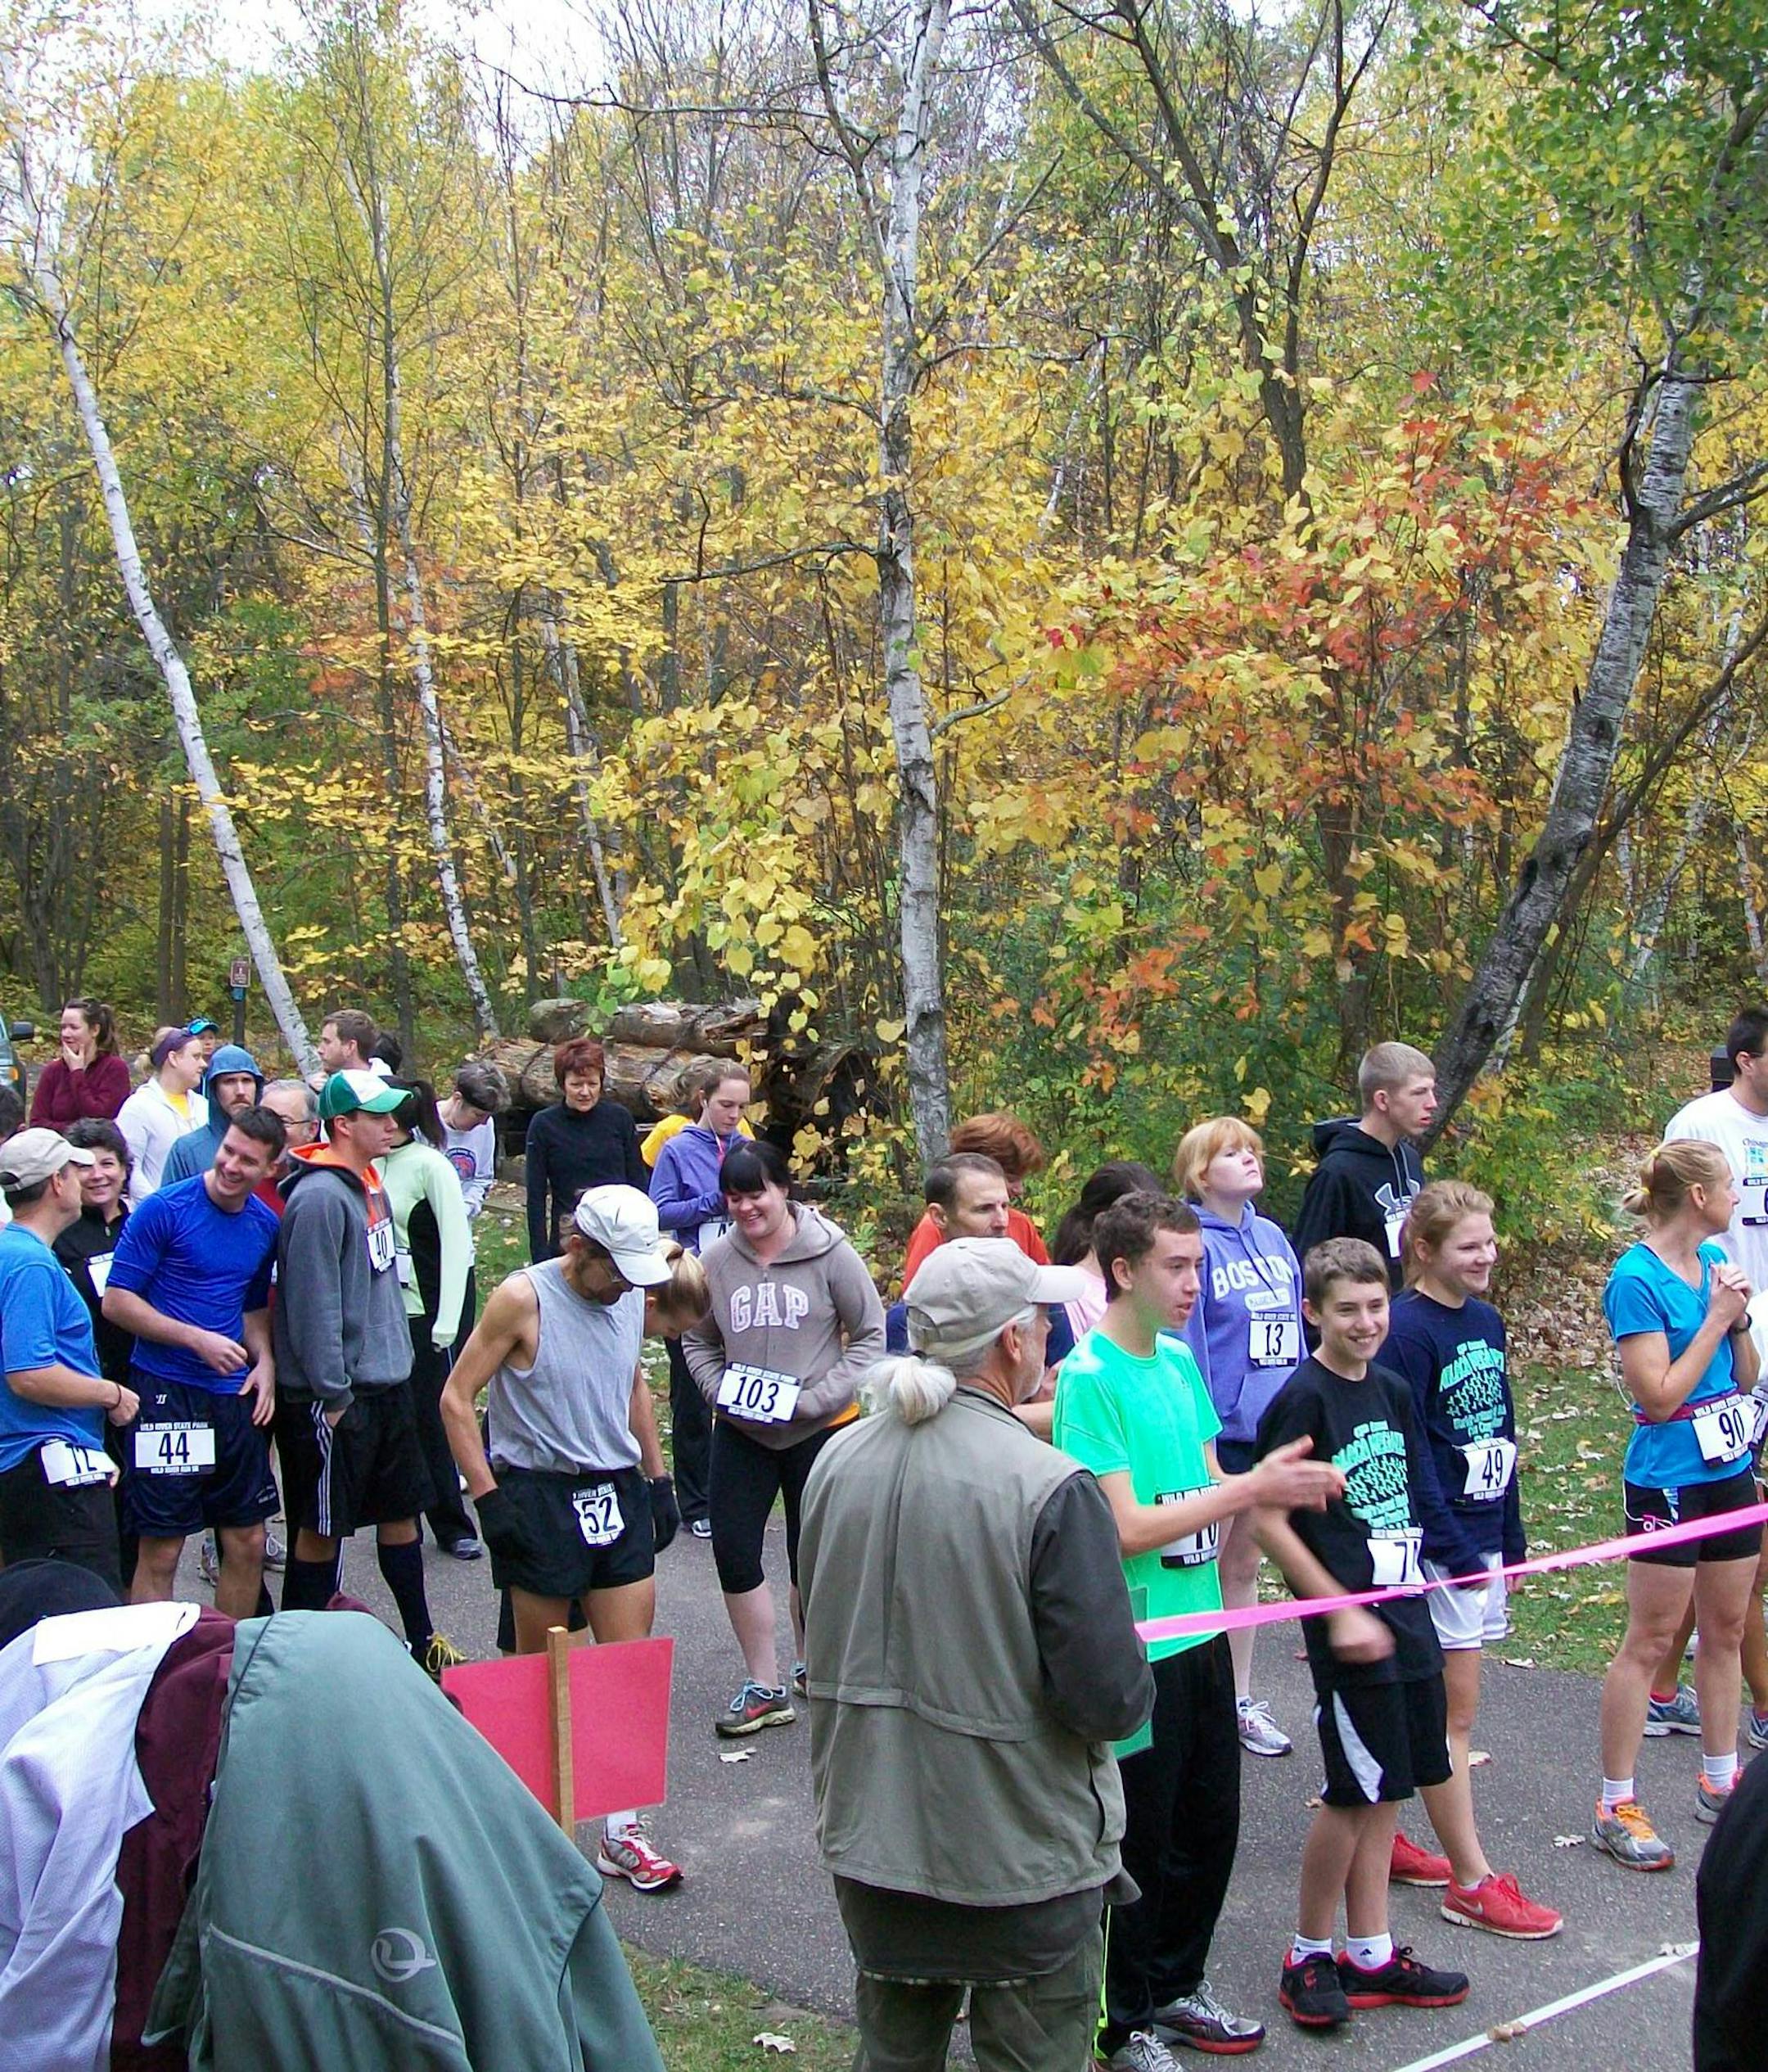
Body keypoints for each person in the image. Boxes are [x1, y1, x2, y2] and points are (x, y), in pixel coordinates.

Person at [798, 1236, 1154, 2072]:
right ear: (1012, 1342)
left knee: (893, 2051)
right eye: (1041, 1321)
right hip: (1018, 1853)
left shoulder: (834, 1461)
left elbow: (815, 1623)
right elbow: (1107, 1697)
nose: (1049, 1338)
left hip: (874, 1839)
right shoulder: (1048, 1482)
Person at [1054, 1191, 1343, 2066]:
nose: (1194, 1282)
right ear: (1124, 1270)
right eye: (1176, 1266)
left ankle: (1179, 1987)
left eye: (1199, 1264)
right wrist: (1247, 1490)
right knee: (1137, 1837)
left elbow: (1214, 1476)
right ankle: (1122, 2017)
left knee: (1208, 1822)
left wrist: (1296, 1551)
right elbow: (1128, 1525)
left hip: (1204, 1631)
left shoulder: (1180, 1360)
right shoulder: (1088, 1378)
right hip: (1139, 1647)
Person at [1253, 1237, 1470, 2033]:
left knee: (1390, 1787)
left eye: (1377, 1304)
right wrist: (1335, 1607)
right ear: (1312, 1311)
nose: (1366, 1320)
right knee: (1351, 1792)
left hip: (1404, 1612)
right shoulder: (1303, 1397)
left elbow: (1413, 1486)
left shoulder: (1390, 1387)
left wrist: (1454, 1560)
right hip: (1349, 1627)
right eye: (1346, 1308)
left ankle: (1370, 1950)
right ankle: (1307, 1950)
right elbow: (1266, 1511)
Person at [443, 1184, 686, 1892]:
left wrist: (657, 1474)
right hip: (538, 1490)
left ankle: (622, 1831)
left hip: (613, 1486)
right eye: (616, 1271)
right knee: (541, 1670)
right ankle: (538, 1835)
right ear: (579, 1247)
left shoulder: (630, 1292)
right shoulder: (524, 1297)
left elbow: (634, 1380)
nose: (626, 1289)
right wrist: (489, 1501)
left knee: (624, 1665)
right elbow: (456, 1399)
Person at [1378, 1182, 1562, 1937]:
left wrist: (1509, 1534)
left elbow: (1503, 1428)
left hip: (1483, 1533)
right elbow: (1411, 1444)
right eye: (1469, 1246)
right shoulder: (1406, 1332)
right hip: (1440, 1545)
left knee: (1430, 1704)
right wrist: (1450, 1545)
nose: (1486, 1256)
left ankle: (1381, 1830)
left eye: (1489, 1242)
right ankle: (1471, 1879)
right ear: (1424, 1251)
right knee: (1453, 1714)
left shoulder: (1485, 1320)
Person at [1590, 1140, 1761, 1871]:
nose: (1738, 1198)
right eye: (1729, 1185)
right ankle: (1615, 1800)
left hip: (1729, 1464)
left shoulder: (1714, 1268)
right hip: (1668, 1476)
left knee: (1725, 1625)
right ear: (1697, 1195)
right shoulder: (1636, 1278)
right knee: (1652, 1638)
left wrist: (1740, 1320)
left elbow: (1746, 1376)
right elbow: (1657, 1397)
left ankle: (1722, 1780)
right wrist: (1719, 1319)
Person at [683, 1140, 886, 1734]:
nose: (747, 1208)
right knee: (735, 1549)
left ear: (784, 1190)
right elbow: (696, 1340)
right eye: (735, 1197)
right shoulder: (716, 1260)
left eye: (758, 1194)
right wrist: (717, 1389)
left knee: (813, 1553)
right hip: (743, 1430)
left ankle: (813, 1667)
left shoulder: (830, 1251)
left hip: (819, 1428)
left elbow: (871, 1336)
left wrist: (819, 1397)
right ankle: (764, 1684)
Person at [272, 1069, 464, 1677]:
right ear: (342, 1124)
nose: (392, 1124)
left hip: (389, 1385)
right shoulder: (319, 1198)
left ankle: (420, 1637)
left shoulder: (370, 1182)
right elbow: (314, 1304)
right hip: (339, 1399)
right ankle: (293, 1657)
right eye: (377, 1115)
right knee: (321, 1527)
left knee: (400, 1512)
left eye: (394, 1114)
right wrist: (333, 1394)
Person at [100, 1108, 285, 1619]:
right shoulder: (164, 1209)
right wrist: (195, 1339)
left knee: (247, 1541)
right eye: (228, 1150)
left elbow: (252, 1308)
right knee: (162, 1546)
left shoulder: (264, 1225)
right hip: (166, 1394)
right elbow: (117, 1302)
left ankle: (224, 1664)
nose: (231, 1165)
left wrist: (264, 1361)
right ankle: (149, 1672)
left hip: (230, 1398)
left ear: (269, 1169)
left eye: (248, 1161)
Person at [1173, 1118, 1306, 1759]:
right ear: (1202, 1173)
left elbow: (1294, 1332)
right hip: (1219, 1434)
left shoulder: (1275, 1236)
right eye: (1232, 1152)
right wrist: (1204, 1424)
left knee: (1246, 1565)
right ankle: (1198, 1700)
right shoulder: (1192, 1244)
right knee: (1203, 1565)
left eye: (1254, 1148)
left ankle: (1239, 1699)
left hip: (1274, 1427)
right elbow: (1190, 1341)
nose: (1250, 1158)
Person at [1653, 1006, 1768, 1741]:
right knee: (1739, 1542)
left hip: (1749, 1345)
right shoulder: (1703, 1123)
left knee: (1736, 1544)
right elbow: (1672, 1235)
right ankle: (1757, 1701)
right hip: (1725, 1365)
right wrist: (1717, 1324)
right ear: (1748, 1059)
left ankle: (1667, 1683)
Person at [0, 1130, 138, 1586]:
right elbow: (29, 1374)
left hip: (37, 1463)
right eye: (75, 1170)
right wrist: (110, 1394)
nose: (85, 1179)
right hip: (45, 1466)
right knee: (86, 1608)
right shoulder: (29, 1264)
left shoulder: (14, 1252)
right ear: (57, 1184)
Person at [649, 1063, 751, 1538]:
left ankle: (738, 1490)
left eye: (741, 1107)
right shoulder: (677, 1149)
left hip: (741, 1282)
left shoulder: (747, 1150)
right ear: (703, 1101)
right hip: (690, 1284)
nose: (733, 1115)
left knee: (742, 1387)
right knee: (692, 1395)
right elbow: (660, 1211)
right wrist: (709, 1204)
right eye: (725, 1105)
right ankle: (694, 1502)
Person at [380, 1078, 480, 1560]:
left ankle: (452, 1522)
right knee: (386, 1422)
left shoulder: (429, 1166)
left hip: (421, 1314)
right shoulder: (359, 1167)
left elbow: (458, 1248)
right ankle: (395, 1516)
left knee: (431, 1418)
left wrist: (447, 1321)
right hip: (375, 1316)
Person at [1292, 1042, 1436, 1289]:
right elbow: (1310, 1264)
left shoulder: (1409, 1159)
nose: (1432, 1103)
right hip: (1362, 1320)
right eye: (1419, 1093)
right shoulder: (1337, 1172)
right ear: (1382, 1100)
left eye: (1432, 1091)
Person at [525, 1036, 647, 1262]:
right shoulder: (544, 1125)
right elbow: (536, 1196)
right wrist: (540, 1255)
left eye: (592, 1084)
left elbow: (638, 1182)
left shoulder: (619, 1118)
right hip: (570, 1237)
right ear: (563, 1084)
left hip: (618, 1234)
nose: (585, 1092)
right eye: (576, 1085)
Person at [899, 1113, 1050, 1283]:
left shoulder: (1020, 1224)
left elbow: (1047, 1289)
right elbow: (916, 1302)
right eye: (1012, 1178)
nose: (1020, 1189)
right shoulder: (935, 1228)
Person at [53, 1118, 135, 1385]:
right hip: (81, 1372)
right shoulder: (57, 1233)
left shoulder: (144, 1225)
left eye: (107, 1164)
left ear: (124, 1170)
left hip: (140, 1369)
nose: (97, 1175)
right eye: (85, 1167)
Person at [1049, 1160, 1164, 1343]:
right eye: (1139, 1221)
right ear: (1101, 1219)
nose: (1149, 1233)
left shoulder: (1149, 1281)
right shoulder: (1072, 1291)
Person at [116, 1027, 209, 1205]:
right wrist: (159, 1208)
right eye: (196, 1057)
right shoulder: (138, 1107)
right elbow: (129, 1167)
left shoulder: (203, 1106)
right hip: (157, 1220)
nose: (203, 1064)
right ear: (173, 1058)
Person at [159, 1043, 264, 1186]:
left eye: (246, 1081)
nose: (240, 1091)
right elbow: (170, 1205)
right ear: (214, 1090)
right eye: (229, 1082)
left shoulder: (272, 1146)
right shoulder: (187, 1151)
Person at [29, 997, 130, 1127]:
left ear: (95, 1030)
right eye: (63, 1027)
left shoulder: (114, 1068)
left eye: (74, 1027)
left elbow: (100, 1122)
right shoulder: (53, 1070)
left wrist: (77, 1074)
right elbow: (37, 1123)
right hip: (56, 1146)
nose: (66, 1033)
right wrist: (74, 1130)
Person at [440, 1060, 509, 1218]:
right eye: (478, 1115)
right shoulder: (425, 1124)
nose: (483, 1122)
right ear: (458, 1099)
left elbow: (483, 1178)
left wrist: (466, 1208)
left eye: (488, 1116)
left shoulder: (486, 1125)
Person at [315, 1008, 378, 1080]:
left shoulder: (386, 1088)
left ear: (350, 1046)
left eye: (327, 1042)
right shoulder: (322, 1084)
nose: (319, 1050)